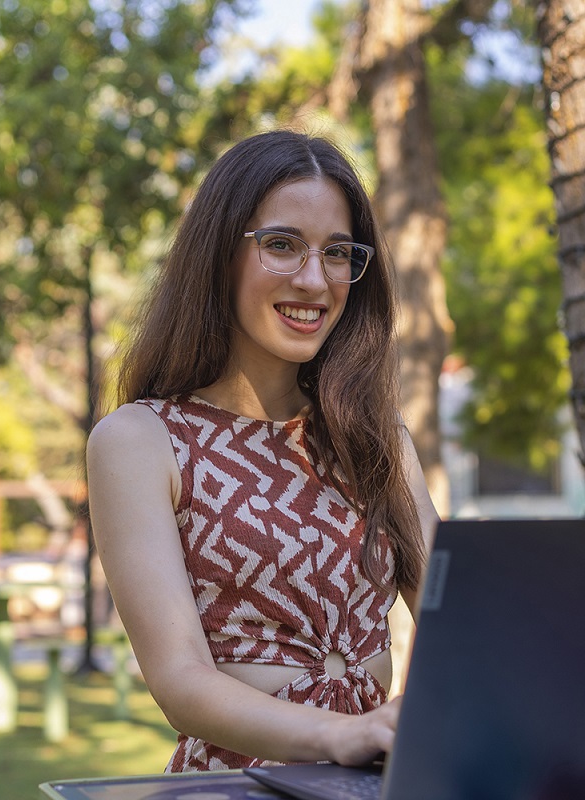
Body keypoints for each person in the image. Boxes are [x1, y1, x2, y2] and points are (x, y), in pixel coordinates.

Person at [86, 129, 438, 772]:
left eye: (337, 253)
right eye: (282, 245)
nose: (314, 280)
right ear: (220, 254)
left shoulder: (377, 439)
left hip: (372, 786)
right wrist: (340, 735)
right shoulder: (142, 440)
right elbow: (180, 681)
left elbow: (461, 621)